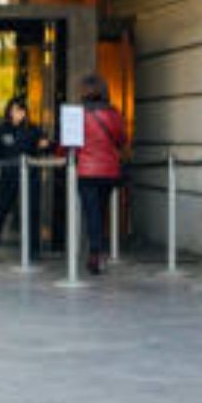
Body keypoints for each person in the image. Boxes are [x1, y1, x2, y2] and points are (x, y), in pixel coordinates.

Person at [71, 74, 127, 275]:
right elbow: (122, 140)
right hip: (109, 172)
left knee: (91, 213)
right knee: (100, 212)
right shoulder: (113, 114)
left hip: (86, 171)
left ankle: (95, 252)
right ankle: (97, 251)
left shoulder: (78, 114)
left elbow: (69, 144)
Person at [0, 97, 49, 253]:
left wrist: (46, 145)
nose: (17, 114)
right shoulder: (2, 131)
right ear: (9, 112)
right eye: (14, 110)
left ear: (25, 112)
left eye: (20, 110)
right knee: (2, 210)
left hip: (31, 176)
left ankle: (33, 250)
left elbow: (44, 147)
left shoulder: (33, 130)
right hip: (9, 176)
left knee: (32, 211)